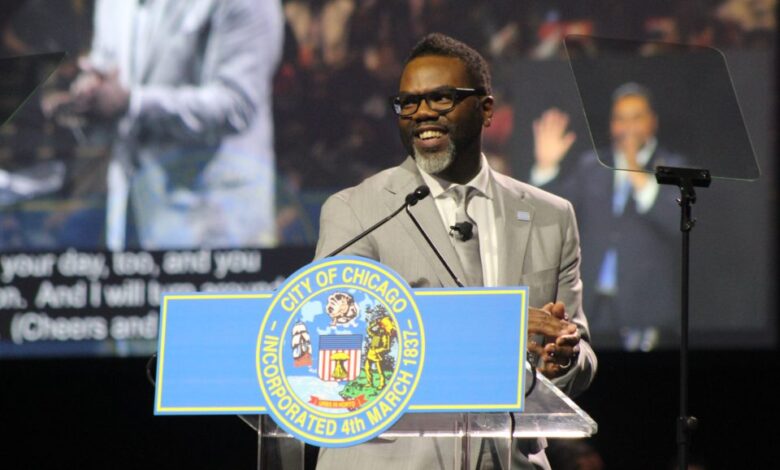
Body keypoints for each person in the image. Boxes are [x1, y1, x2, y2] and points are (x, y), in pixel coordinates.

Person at [314, 32, 596, 470]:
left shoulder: (550, 216)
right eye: (408, 102)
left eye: (441, 98)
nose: (422, 113)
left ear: (485, 109)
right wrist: (500, 328)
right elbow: (342, 340)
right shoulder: (356, 211)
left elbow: (580, 351)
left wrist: (565, 358)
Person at [66, 0, 283, 250]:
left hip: (216, 217)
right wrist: (91, 88)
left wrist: (132, 102)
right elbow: (107, 63)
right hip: (133, 209)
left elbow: (237, 105)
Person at [529, 84, 682, 351]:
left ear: (652, 122)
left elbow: (675, 221)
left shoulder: (672, 166)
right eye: (620, 119)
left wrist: (634, 168)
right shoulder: (593, 166)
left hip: (643, 310)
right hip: (593, 307)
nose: (628, 127)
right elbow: (554, 214)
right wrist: (546, 168)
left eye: (636, 117)